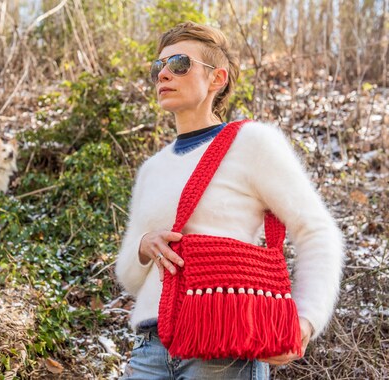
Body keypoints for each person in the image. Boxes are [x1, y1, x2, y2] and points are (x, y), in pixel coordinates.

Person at [116, 21, 344, 379]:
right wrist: (144, 247)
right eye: (158, 67)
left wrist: (306, 319)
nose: (163, 74)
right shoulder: (152, 168)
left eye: (178, 63)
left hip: (223, 346)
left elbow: (315, 229)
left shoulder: (252, 142)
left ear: (217, 78)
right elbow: (129, 277)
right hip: (149, 348)